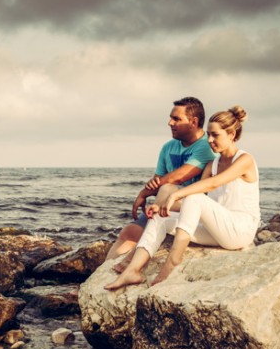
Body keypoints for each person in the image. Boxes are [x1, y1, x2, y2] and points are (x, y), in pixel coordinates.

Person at [105, 105, 259, 290]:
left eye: (215, 135)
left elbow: (211, 185)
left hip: (240, 230)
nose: (209, 140)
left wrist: (177, 194)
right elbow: (199, 203)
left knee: (193, 197)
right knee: (160, 216)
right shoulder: (212, 164)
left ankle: (173, 262)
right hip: (217, 230)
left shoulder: (245, 160)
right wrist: (163, 207)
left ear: (232, 134)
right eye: (208, 134)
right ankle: (133, 270)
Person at [106, 96, 216, 260]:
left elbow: (178, 177)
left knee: (167, 187)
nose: (170, 123)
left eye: (176, 119)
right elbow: (158, 180)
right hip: (166, 203)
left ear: (193, 122)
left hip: (192, 207)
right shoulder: (168, 147)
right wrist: (148, 192)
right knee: (129, 232)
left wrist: (143, 194)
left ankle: (135, 257)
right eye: (171, 118)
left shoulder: (208, 145)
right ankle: (102, 275)